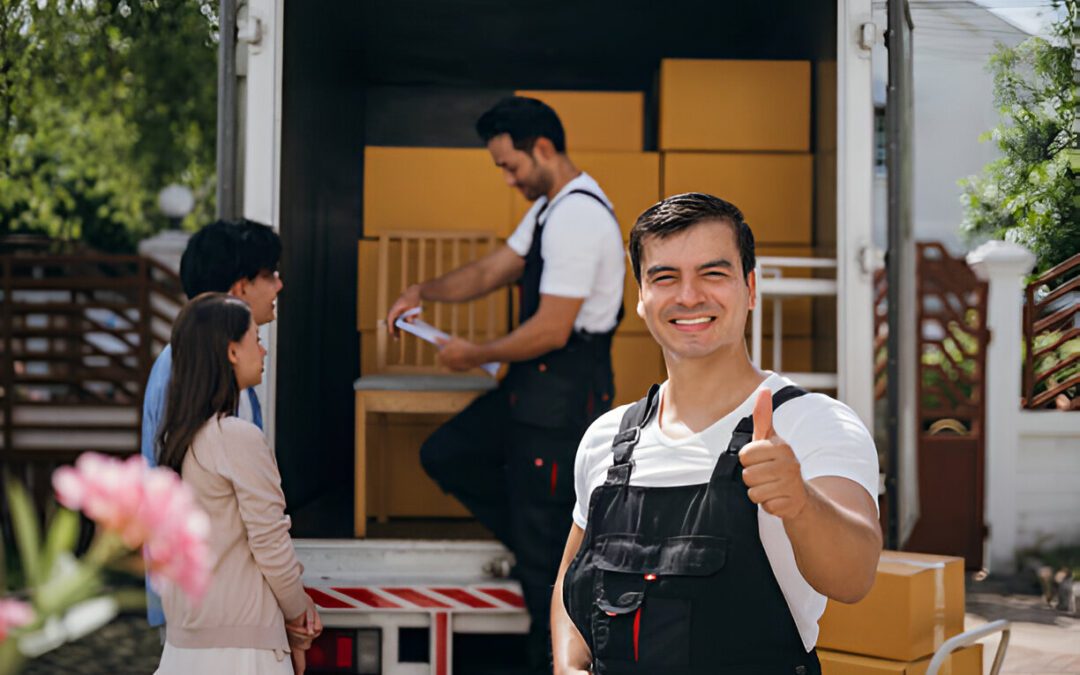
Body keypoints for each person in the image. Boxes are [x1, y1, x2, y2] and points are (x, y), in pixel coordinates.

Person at [551, 193, 882, 674]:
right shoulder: (607, 438)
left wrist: (800, 502)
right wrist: (566, 665)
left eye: (713, 273)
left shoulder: (812, 423)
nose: (689, 296)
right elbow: (571, 577)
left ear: (750, 288)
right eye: (664, 277)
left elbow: (855, 578)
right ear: (641, 298)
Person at [386, 96, 625, 671]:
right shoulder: (550, 207)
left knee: (544, 565)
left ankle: (553, 658)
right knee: (447, 454)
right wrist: (426, 291)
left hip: (562, 395)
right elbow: (495, 269)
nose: (507, 177)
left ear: (542, 149)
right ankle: (532, 533)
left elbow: (549, 328)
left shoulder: (578, 216)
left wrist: (475, 354)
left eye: (508, 164)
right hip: (530, 392)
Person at [154, 293, 320, 675]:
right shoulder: (236, 437)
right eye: (256, 339)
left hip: (186, 645)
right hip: (241, 653)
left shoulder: (178, 440)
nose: (263, 351)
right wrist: (299, 614)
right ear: (231, 352)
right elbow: (270, 541)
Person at [141, 219, 284, 630]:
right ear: (239, 288)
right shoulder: (195, 371)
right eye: (270, 274)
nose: (278, 286)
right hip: (211, 605)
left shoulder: (190, 362)